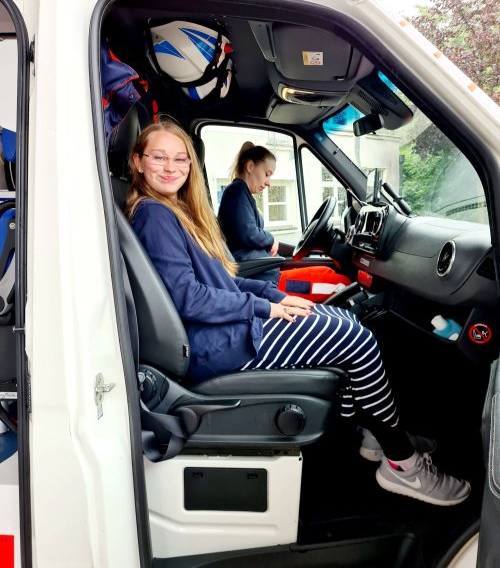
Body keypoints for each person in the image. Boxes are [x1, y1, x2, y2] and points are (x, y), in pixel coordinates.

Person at [126, 117, 470, 507]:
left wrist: (275, 299)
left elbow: (223, 282)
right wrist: (265, 307)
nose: (171, 168)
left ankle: (377, 430)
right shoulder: (155, 216)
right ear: (138, 162)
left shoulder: (170, 210)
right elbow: (190, 299)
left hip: (224, 330)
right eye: (159, 157)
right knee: (357, 338)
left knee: (346, 321)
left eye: (180, 159)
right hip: (219, 343)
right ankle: (402, 464)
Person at [218, 142, 280, 283]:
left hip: (254, 265)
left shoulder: (243, 194)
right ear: (250, 166)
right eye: (267, 174)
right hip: (246, 266)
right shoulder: (237, 192)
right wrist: (271, 239)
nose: (268, 183)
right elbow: (249, 234)